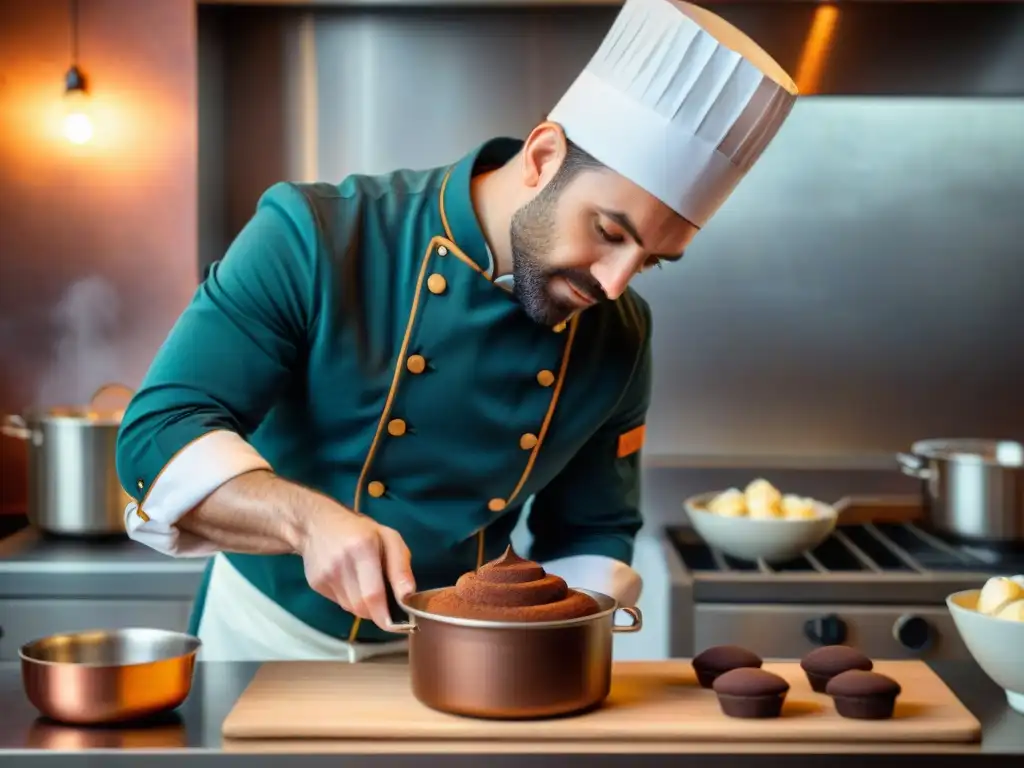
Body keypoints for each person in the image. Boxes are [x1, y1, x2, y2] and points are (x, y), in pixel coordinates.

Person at [115, 0, 798, 662]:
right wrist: (308, 521)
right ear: (542, 156)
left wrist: (546, 652)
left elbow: (591, 528)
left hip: (459, 660)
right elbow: (159, 433)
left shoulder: (620, 335)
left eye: (650, 261)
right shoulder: (316, 236)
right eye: (608, 233)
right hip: (263, 641)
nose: (615, 283)